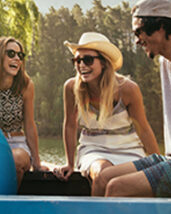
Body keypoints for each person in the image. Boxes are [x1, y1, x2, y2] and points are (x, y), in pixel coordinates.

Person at [96, 0, 171, 197]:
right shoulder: (166, 62)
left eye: (139, 31)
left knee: (117, 188)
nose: (137, 40)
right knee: (103, 178)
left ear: (163, 26)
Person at [53, 32, 159, 195]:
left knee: (130, 183)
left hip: (129, 148)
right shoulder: (71, 87)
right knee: (103, 171)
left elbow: (143, 129)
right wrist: (69, 163)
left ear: (103, 62)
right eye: (77, 60)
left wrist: (158, 162)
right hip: (93, 148)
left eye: (87, 60)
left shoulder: (127, 89)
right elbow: (70, 125)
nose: (81, 65)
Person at [0, 37, 47, 185]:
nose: (17, 58)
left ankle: (7, 204)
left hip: (17, 144)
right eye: (11, 53)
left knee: (15, 160)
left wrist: (37, 163)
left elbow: (30, 125)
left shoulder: (25, 85)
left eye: (20, 55)